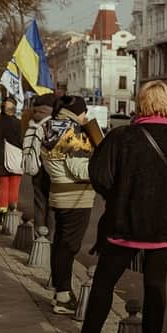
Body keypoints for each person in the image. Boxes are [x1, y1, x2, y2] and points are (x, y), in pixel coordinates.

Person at [58, 81, 167, 333]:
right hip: (164, 226)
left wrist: (118, 195)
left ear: (141, 104)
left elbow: (99, 175)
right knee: (155, 288)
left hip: (124, 224)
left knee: (104, 284)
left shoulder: (122, 137)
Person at [41, 95, 95, 315]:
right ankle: (63, 296)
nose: (86, 117)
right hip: (75, 196)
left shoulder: (51, 126)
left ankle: (58, 288)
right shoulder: (73, 133)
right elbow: (81, 169)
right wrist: (99, 163)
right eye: (84, 112)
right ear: (78, 112)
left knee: (60, 242)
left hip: (58, 192)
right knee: (69, 246)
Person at [22, 94, 56, 238]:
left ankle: (38, 237)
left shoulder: (31, 122)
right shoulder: (52, 124)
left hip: (35, 168)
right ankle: (48, 240)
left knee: (39, 204)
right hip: (50, 169)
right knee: (52, 206)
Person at [0, 99, 24, 216]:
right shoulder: (19, 123)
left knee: (3, 187)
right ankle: (12, 210)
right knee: (14, 186)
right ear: (14, 110)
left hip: (0, 159)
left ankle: (2, 212)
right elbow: (22, 142)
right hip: (16, 159)